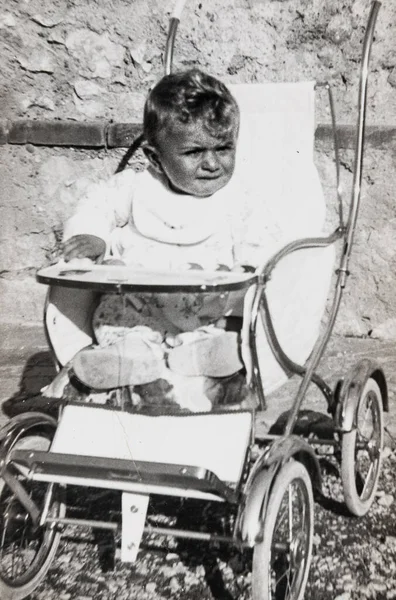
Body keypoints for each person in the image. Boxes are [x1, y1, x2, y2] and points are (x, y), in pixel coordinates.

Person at [57, 68, 256, 413]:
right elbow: (97, 203)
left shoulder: (237, 200)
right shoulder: (134, 188)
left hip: (202, 310)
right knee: (117, 319)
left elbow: (260, 234)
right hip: (137, 305)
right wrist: (90, 234)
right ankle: (128, 356)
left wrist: (250, 263)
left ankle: (202, 358)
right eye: (194, 153)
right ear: (155, 157)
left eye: (223, 148)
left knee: (222, 332)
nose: (212, 163)